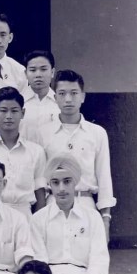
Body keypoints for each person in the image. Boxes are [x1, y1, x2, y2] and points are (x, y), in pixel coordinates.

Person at [39, 69, 115, 235]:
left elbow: (104, 177)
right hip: (53, 204)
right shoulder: (43, 133)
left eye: (74, 93)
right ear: (55, 97)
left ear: (83, 97)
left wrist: (105, 219)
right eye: (62, 93)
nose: (68, 99)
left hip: (85, 202)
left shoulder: (97, 133)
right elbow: (40, 179)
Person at [0, 87, 48, 214]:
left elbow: (40, 195)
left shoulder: (36, 152)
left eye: (14, 111)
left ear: (22, 113)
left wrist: (36, 222)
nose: (9, 116)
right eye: (3, 111)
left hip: (24, 215)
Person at [18, 50, 60, 143]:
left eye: (43, 69)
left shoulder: (60, 103)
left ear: (52, 72)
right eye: (33, 70)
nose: (38, 75)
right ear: (25, 73)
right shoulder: (17, 102)